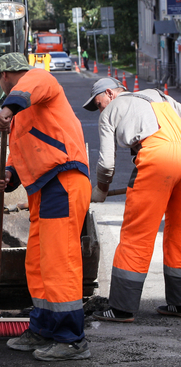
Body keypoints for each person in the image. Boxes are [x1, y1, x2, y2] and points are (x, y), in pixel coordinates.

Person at [0, 53, 92, 361]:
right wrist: (8, 176)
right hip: (44, 190)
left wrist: (7, 108)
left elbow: (32, 82)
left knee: (59, 263)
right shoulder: (24, 115)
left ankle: (71, 339)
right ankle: (44, 328)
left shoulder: (38, 79)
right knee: (38, 264)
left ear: (3, 76)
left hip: (63, 180)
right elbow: (24, 155)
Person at [83, 78, 181, 322]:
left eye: (99, 103)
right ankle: (179, 303)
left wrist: (102, 189)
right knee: (178, 231)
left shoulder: (111, 112)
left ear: (109, 93)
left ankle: (121, 308)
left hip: (156, 159)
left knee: (137, 233)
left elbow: (106, 164)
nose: (100, 110)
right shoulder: (161, 96)